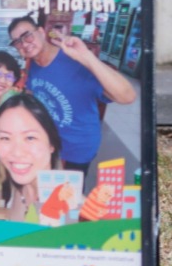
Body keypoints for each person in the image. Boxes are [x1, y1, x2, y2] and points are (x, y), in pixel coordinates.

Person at [8, 13, 134, 177]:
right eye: (17, 41)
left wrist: (86, 57)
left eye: (27, 35)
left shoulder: (74, 59)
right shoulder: (31, 65)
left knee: (68, 198)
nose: (24, 43)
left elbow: (127, 96)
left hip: (77, 148)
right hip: (48, 146)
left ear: (41, 31)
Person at [0, 91, 65, 222]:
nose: (17, 152)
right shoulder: (18, 182)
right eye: (5, 138)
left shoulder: (69, 206)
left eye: (30, 137)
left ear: (51, 143)